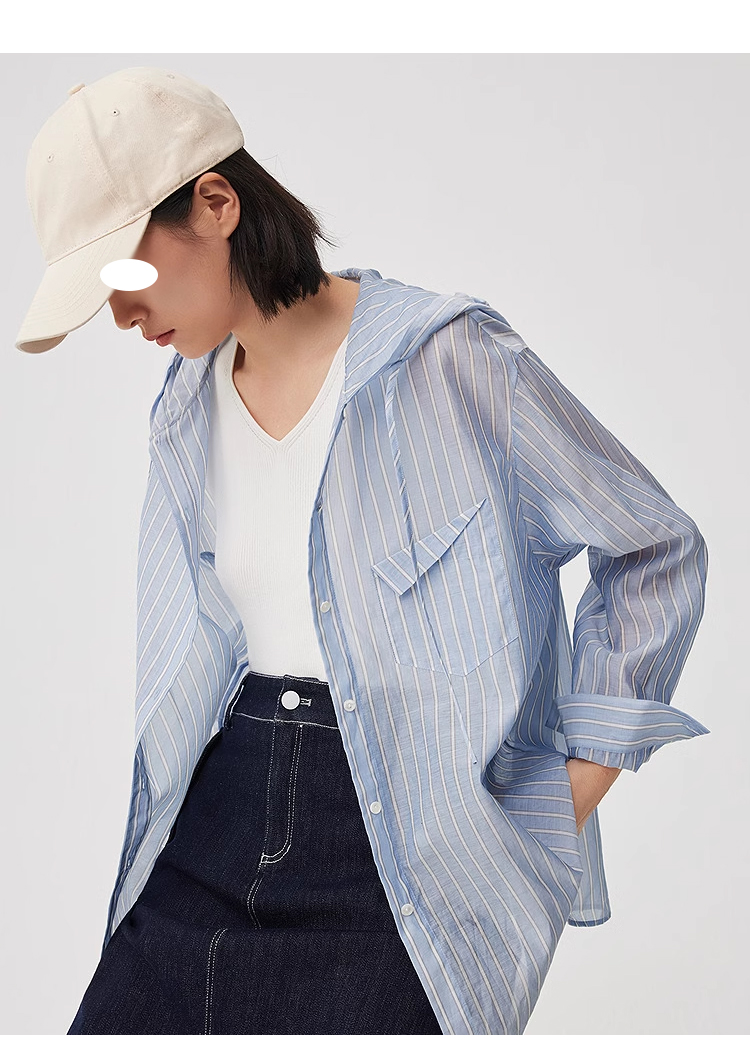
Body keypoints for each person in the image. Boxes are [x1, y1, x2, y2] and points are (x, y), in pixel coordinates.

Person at [16, 66, 710, 1036]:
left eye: (123, 278)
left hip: (396, 862)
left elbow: (655, 551)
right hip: (214, 829)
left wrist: (561, 799)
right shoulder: (183, 409)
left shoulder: (451, 362)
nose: (122, 319)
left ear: (215, 204)